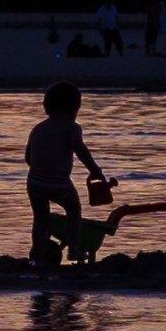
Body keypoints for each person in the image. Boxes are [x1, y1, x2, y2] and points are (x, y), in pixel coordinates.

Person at [23, 80, 121, 270]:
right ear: (74, 108)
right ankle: (73, 249)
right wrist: (95, 170)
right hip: (58, 183)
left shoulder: (38, 128)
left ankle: (37, 252)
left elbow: (28, 157)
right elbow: (81, 150)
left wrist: (41, 171)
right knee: (74, 210)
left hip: (34, 182)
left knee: (40, 218)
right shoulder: (72, 128)